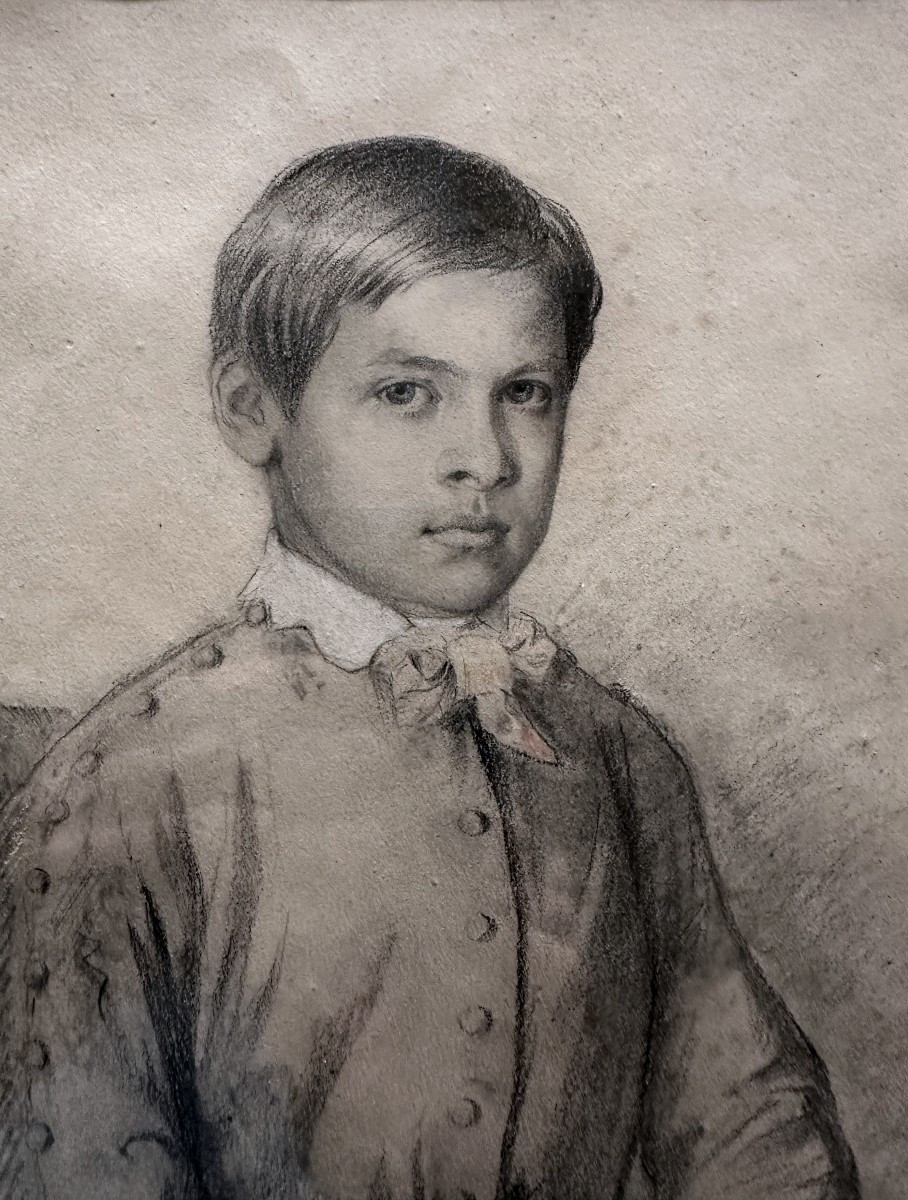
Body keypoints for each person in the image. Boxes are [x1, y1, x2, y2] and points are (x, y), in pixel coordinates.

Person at [0, 137, 859, 1200]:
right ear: (250, 408)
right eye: (409, 393)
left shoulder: (616, 756)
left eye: (526, 392)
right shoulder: (123, 785)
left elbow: (751, 1123)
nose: (485, 458)